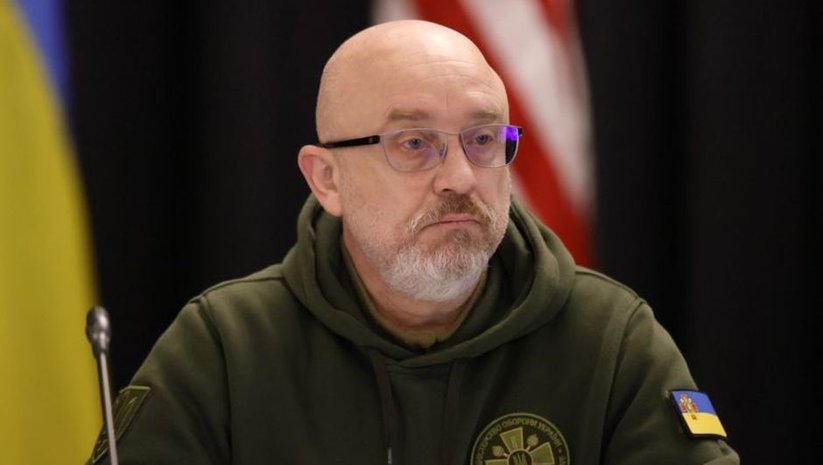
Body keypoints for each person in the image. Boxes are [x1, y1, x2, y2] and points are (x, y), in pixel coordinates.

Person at [87, 19, 739, 465]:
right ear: (327, 178)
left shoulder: (609, 338)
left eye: (482, 139)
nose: (460, 177)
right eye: (414, 143)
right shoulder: (225, 345)